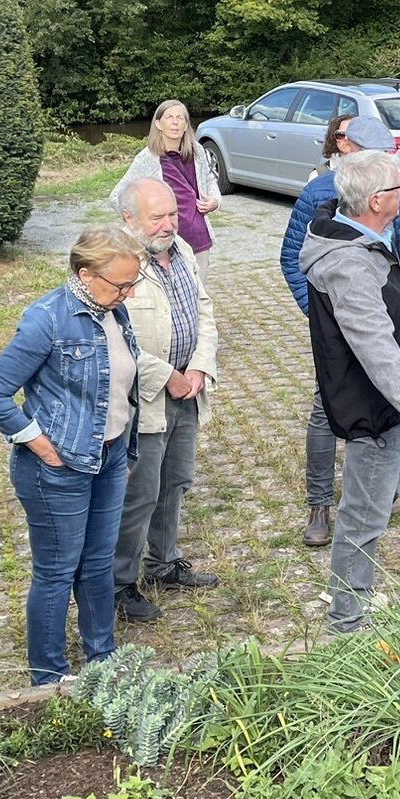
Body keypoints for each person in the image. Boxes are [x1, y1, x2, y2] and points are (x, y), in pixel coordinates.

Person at [0, 227, 146, 686]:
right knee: (56, 571)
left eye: (134, 283)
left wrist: (121, 450)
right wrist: (38, 443)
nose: (128, 293)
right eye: (121, 285)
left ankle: (103, 662)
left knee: (97, 562)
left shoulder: (114, 309)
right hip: (57, 468)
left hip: (108, 460)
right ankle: (48, 677)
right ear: (85, 275)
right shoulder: (47, 319)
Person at [301, 150, 400, 633]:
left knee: (371, 506)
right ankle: (346, 623)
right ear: (375, 201)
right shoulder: (349, 265)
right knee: (364, 514)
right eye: (398, 189)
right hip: (374, 405)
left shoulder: (350, 230)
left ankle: (356, 598)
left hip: (384, 401)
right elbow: (375, 350)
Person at [281, 114, 400, 549]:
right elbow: (294, 258)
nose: (387, 164)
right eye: (376, 154)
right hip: (342, 337)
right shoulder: (319, 194)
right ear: (348, 149)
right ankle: (319, 504)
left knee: (394, 408)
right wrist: (327, 315)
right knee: (327, 411)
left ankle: (379, 494)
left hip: (393, 326)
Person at [110, 180, 221, 623]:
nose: (169, 224)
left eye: (173, 214)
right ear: (129, 219)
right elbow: (115, 339)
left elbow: (204, 311)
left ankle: (162, 563)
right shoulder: (115, 264)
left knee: (176, 482)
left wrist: (197, 367)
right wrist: (167, 376)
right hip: (142, 401)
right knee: (139, 494)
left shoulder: (184, 254)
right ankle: (119, 584)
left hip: (187, 391)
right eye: (157, 217)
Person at [110, 100, 221, 277]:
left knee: (198, 294)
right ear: (158, 124)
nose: (175, 122)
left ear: (186, 125)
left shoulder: (197, 151)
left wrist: (215, 201)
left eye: (180, 118)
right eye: (169, 117)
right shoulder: (148, 158)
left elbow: (210, 181)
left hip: (198, 238)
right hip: (166, 241)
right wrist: (140, 222)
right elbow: (117, 196)